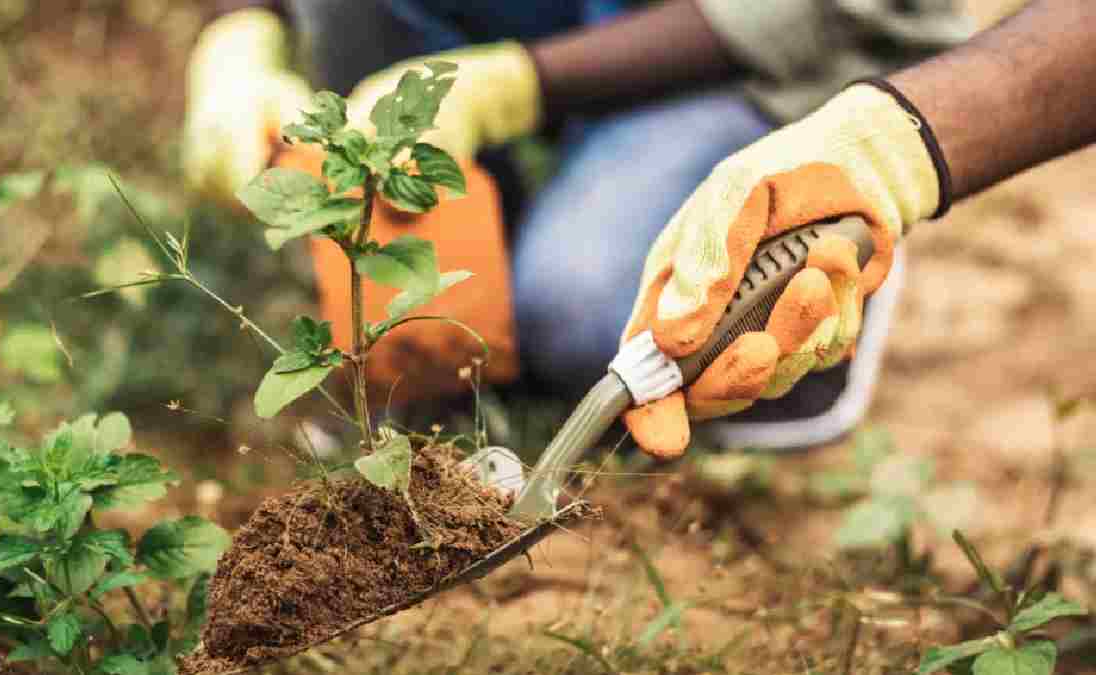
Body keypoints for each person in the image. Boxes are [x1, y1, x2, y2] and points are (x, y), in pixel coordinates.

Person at [184, 1, 980, 453]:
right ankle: (456, 358)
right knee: (454, 338)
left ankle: (822, 218)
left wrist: (515, 86)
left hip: (754, 46)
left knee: (583, 317)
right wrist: (237, 37)